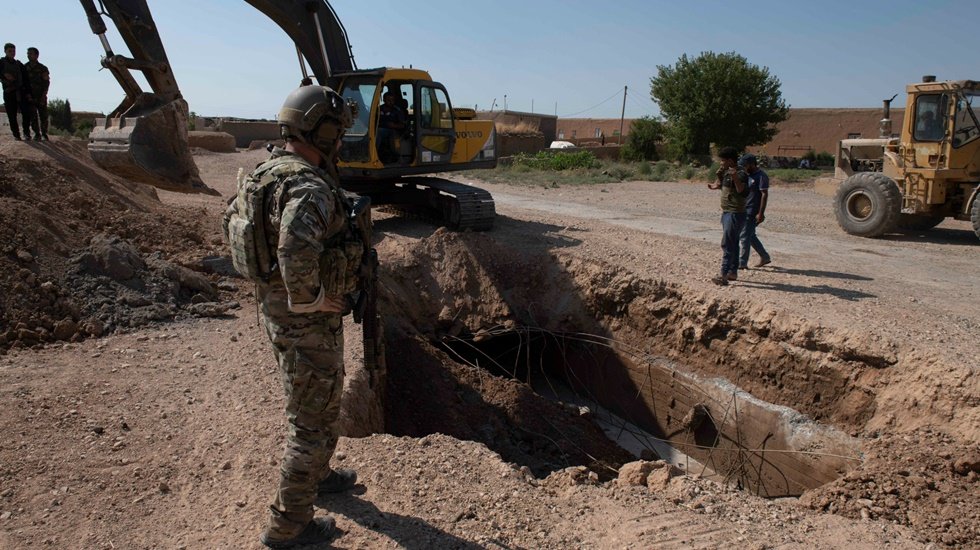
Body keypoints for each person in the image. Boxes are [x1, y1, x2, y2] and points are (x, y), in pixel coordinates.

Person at [223, 85, 361, 549]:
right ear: (320, 130)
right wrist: (316, 300)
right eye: (337, 131)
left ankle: (319, 476)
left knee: (315, 400)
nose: (341, 141)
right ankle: (288, 526)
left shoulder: (268, 172)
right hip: (304, 317)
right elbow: (294, 251)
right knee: (312, 419)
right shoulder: (306, 185)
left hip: (279, 311)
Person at [707, 146, 748, 286]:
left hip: (735, 213)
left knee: (727, 243)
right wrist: (716, 185)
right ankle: (732, 272)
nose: (721, 163)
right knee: (733, 242)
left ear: (730, 160)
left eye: (723, 161)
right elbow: (725, 186)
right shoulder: (726, 172)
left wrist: (735, 176)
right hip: (727, 212)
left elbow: (741, 190)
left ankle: (723, 274)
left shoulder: (741, 173)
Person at [738, 154, 772, 269]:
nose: (743, 168)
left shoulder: (761, 176)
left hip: (753, 211)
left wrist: (761, 213)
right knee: (750, 235)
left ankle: (742, 263)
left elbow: (764, 194)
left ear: (752, 164)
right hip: (744, 209)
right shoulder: (747, 175)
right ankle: (765, 256)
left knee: (744, 236)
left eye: (745, 165)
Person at [1, 43, 31, 141]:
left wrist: (28, 93)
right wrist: (4, 76)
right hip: (9, 92)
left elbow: (25, 79)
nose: (12, 53)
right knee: (11, 114)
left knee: (26, 113)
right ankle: (16, 135)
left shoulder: (19, 64)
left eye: (13, 51)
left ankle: (26, 133)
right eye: (10, 51)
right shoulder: (1, 63)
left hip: (20, 91)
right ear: (5, 51)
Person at [24, 47, 50, 141]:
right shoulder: (25, 68)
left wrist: (44, 95)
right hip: (30, 96)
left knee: (43, 116)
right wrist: (27, 95)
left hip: (41, 96)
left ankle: (44, 134)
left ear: (36, 55)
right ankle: (37, 133)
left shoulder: (42, 68)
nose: (28, 55)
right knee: (33, 116)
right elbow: (23, 82)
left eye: (31, 53)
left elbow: (46, 82)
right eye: (28, 53)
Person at [377, 90, 406, 163]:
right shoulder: (378, 109)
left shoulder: (397, 111)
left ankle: (374, 151)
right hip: (378, 129)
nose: (390, 102)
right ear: (384, 100)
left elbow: (402, 125)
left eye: (392, 100)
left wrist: (393, 125)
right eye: (388, 100)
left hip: (392, 131)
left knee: (379, 132)